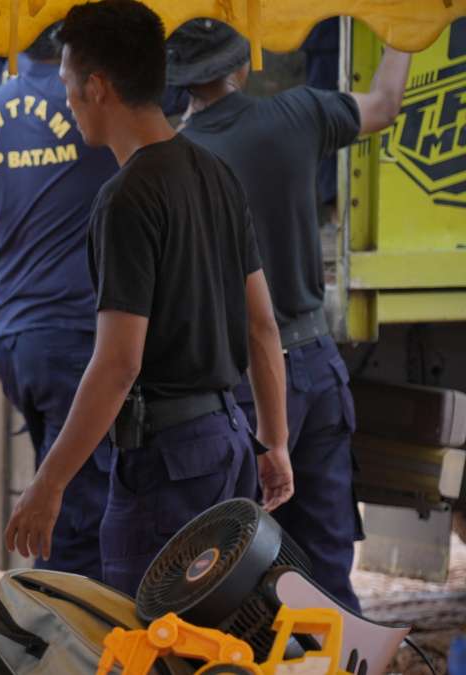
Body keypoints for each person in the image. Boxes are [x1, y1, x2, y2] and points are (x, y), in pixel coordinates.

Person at [2, 0, 294, 597]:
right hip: (228, 441)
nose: (66, 100)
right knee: (210, 627)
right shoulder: (215, 173)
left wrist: (49, 483)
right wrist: (275, 440)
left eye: (67, 83)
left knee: (147, 630)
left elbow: (118, 363)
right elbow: (262, 326)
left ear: (97, 86)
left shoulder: (126, 197)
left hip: (168, 463)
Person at [169, 18, 411, 610]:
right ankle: (340, 650)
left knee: (238, 568)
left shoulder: (178, 159)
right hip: (317, 367)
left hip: (243, 385)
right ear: (242, 65)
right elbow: (385, 104)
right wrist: (405, 26)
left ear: (180, 80)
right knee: (327, 559)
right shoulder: (299, 114)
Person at [0, 23, 119, 578]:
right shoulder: (93, 100)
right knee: (81, 520)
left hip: (19, 340)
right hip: (76, 340)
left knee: (62, 502)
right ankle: (62, 630)